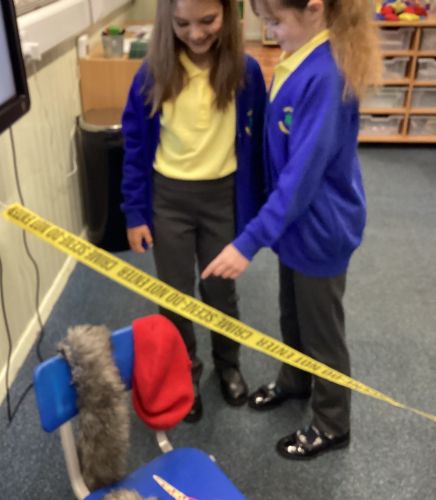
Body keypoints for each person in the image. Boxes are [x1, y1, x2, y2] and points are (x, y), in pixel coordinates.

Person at [202, 0, 381, 457]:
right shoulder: (298, 58)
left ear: (315, 9)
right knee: (293, 316)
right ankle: (296, 379)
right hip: (295, 228)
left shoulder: (325, 76)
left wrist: (249, 241)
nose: (271, 31)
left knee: (322, 333)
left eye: (276, 21)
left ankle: (332, 422)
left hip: (320, 230)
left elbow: (301, 179)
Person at [121, 0, 267, 423]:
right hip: (169, 200)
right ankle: (186, 372)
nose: (196, 34)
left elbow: (258, 144)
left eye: (208, 20)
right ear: (167, 19)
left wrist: (257, 214)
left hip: (222, 197)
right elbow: (134, 147)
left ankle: (228, 364)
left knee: (220, 292)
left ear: (229, 14)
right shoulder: (151, 74)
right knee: (175, 296)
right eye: (182, 23)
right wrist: (135, 213)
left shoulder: (245, 71)